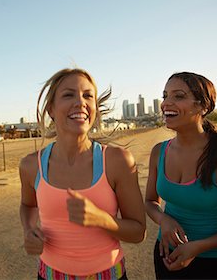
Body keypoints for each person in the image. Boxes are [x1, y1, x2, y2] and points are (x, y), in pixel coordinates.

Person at [19, 68, 146, 280]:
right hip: (49, 275)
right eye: (68, 95)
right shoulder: (31, 165)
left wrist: (101, 219)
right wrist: (29, 229)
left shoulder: (117, 161)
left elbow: (138, 232)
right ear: (51, 109)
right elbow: (28, 205)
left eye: (88, 95)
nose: (80, 102)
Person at [145, 72, 217, 279]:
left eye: (179, 96)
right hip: (167, 257)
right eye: (165, 96)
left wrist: (198, 247)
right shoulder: (159, 152)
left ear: (203, 106)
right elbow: (149, 201)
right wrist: (163, 219)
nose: (166, 103)